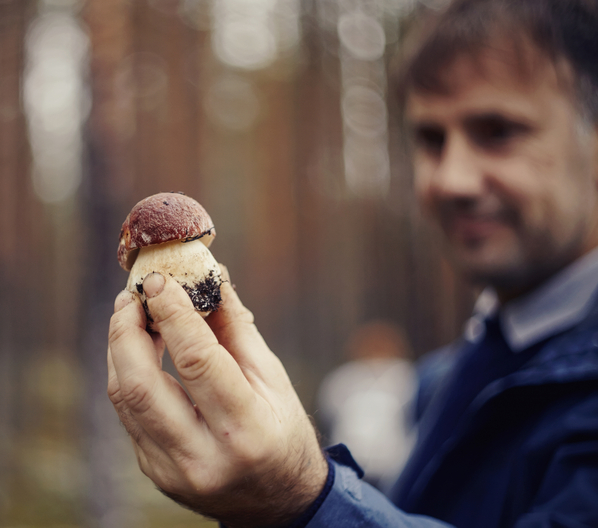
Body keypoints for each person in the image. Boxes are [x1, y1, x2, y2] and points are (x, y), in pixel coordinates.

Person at [106, 0, 598, 526]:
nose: (452, 179)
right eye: (431, 139)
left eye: (498, 131)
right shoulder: (438, 383)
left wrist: (299, 499)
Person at [316, 321, 416, 492]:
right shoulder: (343, 378)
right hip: (352, 465)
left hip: (392, 466)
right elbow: (329, 414)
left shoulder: (405, 376)